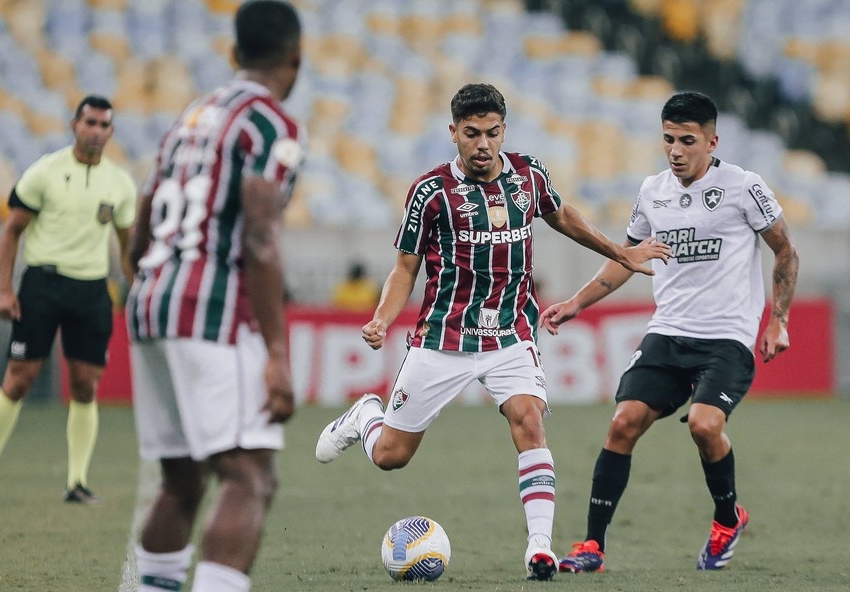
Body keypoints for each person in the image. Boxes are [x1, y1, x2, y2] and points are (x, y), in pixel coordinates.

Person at [314, 83, 671, 580]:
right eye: (472, 134)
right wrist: (382, 317)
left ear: (504, 130)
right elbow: (405, 268)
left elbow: (563, 216)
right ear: (454, 133)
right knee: (391, 457)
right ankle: (366, 416)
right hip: (443, 338)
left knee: (529, 419)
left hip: (510, 333)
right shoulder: (430, 191)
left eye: (493, 133)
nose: (483, 144)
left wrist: (621, 252)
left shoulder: (528, 175)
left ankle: (539, 549)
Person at [542, 91, 799, 573]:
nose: (675, 150)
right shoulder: (653, 190)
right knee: (622, 423)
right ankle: (591, 547)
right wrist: (576, 302)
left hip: (726, 337)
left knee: (704, 424)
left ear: (711, 140)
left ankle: (728, 518)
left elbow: (785, 251)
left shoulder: (744, 186)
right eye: (668, 140)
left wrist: (778, 319)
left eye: (687, 140)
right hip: (668, 332)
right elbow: (629, 258)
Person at [125, 2, 303, 591]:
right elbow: (259, 235)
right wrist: (276, 353)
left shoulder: (192, 115)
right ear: (295, 59)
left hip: (151, 301)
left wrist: (147, 283)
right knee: (249, 474)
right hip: (210, 308)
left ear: (234, 55)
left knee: (182, 480)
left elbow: (144, 217)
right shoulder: (270, 123)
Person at [0, 95, 137, 505]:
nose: (96, 131)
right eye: (90, 123)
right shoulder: (45, 172)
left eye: (104, 125)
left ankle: (76, 482)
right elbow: (12, 230)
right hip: (43, 284)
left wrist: (136, 291)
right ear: (74, 125)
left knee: (85, 385)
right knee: (19, 377)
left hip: (91, 289)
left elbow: (127, 244)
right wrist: (6, 289)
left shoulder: (119, 183)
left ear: (111, 132)